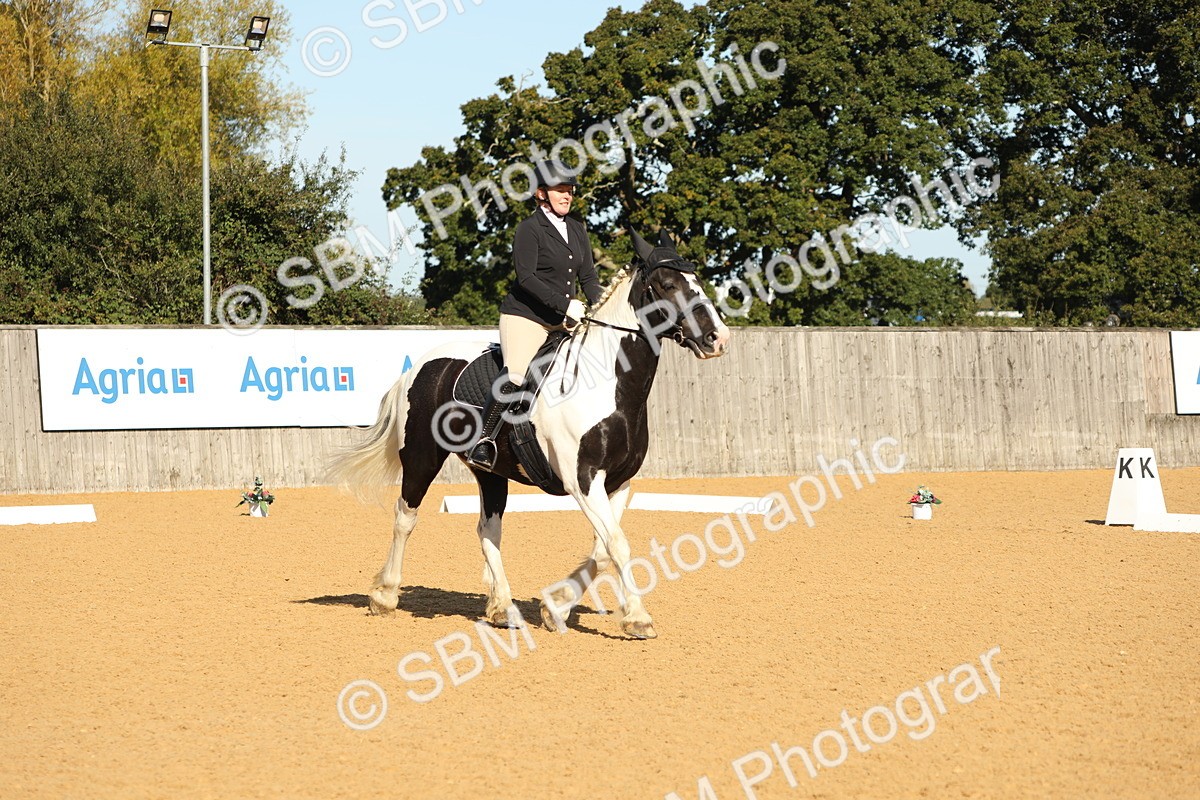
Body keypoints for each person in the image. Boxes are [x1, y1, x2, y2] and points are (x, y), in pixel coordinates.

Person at [466, 159, 602, 469]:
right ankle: (483, 442)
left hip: (563, 320)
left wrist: (599, 305)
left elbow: (589, 277)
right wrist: (565, 304)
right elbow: (526, 278)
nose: (567, 195)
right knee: (516, 373)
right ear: (541, 193)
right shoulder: (529, 229)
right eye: (560, 190)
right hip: (526, 317)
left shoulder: (577, 228)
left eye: (570, 190)